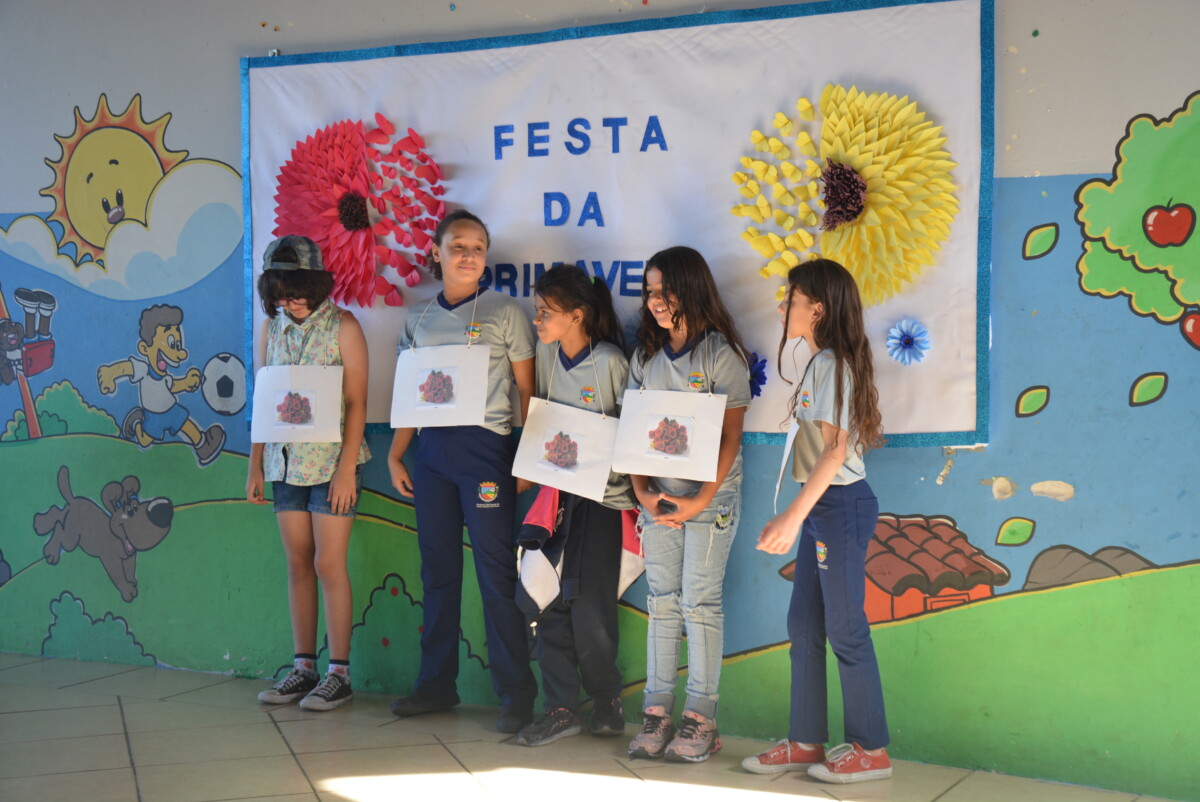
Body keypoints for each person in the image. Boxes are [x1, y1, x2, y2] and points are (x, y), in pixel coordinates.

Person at [387, 210, 538, 733]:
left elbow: (526, 389)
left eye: (477, 247)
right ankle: (435, 685)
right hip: (431, 455)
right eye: (457, 246)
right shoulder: (419, 318)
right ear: (436, 252)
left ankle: (516, 694)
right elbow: (409, 394)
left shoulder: (504, 311)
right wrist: (396, 454)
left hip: (486, 452)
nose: (468, 255)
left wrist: (527, 456)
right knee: (438, 572)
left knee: (496, 572)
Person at [743, 259, 891, 784]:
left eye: (792, 299)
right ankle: (806, 741)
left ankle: (871, 750)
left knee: (845, 627)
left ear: (818, 309)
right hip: (824, 506)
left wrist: (792, 516)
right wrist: (802, 513)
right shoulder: (820, 362)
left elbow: (835, 452)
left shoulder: (832, 364)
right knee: (803, 624)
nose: (783, 307)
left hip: (840, 505)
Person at [625, 246, 751, 763]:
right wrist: (642, 492)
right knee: (662, 602)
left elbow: (731, 437)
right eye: (650, 291)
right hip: (658, 501)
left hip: (709, 501)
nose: (656, 300)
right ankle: (656, 712)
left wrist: (699, 500)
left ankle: (701, 719)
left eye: (666, 290)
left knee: (699, 604)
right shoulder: (646, 356)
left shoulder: (721, 355)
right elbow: (633, 430)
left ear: (692, 288)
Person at [248, 235, 370, 711]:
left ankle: (339, 673)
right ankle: (304, 668)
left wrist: (346, 470)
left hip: (333, 465)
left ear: (317, 283)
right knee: (297, 564)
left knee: (327, 564)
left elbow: (357, 402)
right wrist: (256, 463)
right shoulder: (270, 328)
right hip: (284, 464)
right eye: (281, 294)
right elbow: (265, 398)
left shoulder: (344, 326)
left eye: (298, 291)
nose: (291, 301)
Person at [513, 265, 633, 747]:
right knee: (547, 601)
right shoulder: (546, 354)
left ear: (577, 315)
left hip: (603, 503)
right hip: (556, 500)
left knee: (591, 609)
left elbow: (629, 430)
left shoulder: (609, 362)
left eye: (547, 312)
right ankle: (560, 707)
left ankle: (606, 700)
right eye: (537, 311)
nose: (537, 320)